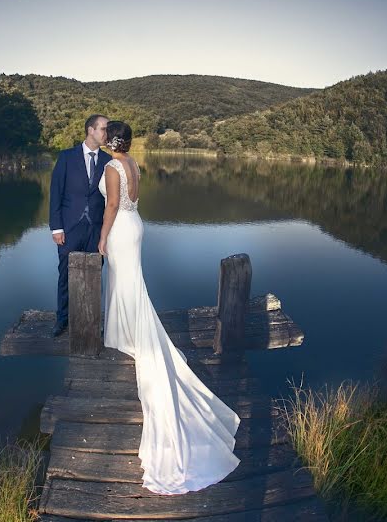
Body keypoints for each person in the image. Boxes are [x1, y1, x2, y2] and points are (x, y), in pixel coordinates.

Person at [97, 120, 241, 495]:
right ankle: (124, 330)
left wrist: (101, 237)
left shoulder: (113, 168)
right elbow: (131, 201)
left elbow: (112, 204)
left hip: (120, 229)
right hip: (137, 225)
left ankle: (131, 334)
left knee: (125, 282)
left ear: (110, 141)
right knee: (129, 284)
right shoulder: (133, 164)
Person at [49, 114, 111, 338]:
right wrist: (56, 228)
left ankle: (91, 319)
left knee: (94, 275)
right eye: (103, 129)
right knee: (65, 274)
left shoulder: (107, 161)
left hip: (96, 229)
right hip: (70, 228)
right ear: (91, 130)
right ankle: (62, 319)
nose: (107, 133)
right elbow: (56, 192)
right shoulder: (66, 157)